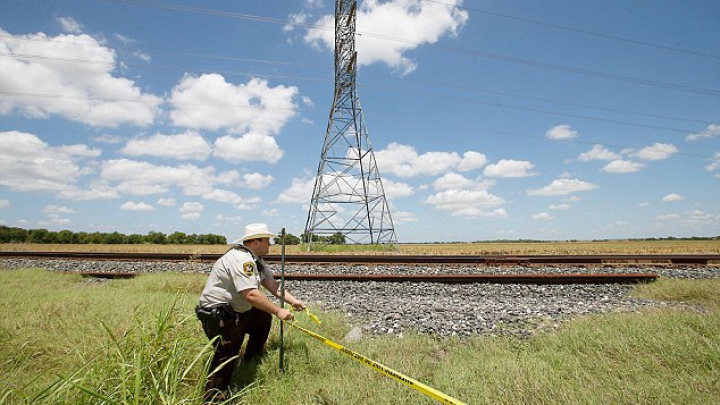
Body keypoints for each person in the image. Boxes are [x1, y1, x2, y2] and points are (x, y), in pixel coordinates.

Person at [196, 223, 306, 400]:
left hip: (237, 309)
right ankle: (213, 397)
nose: (270, 244)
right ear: (255, 242)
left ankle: (251, 360)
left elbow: (271, 284)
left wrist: (293, 301)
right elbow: (251, 295)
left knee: (262, 319)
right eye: (267, 240)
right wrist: (279, 311)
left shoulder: (256, 260)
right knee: (226, 356)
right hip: (221, 314)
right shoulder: (242, 260)